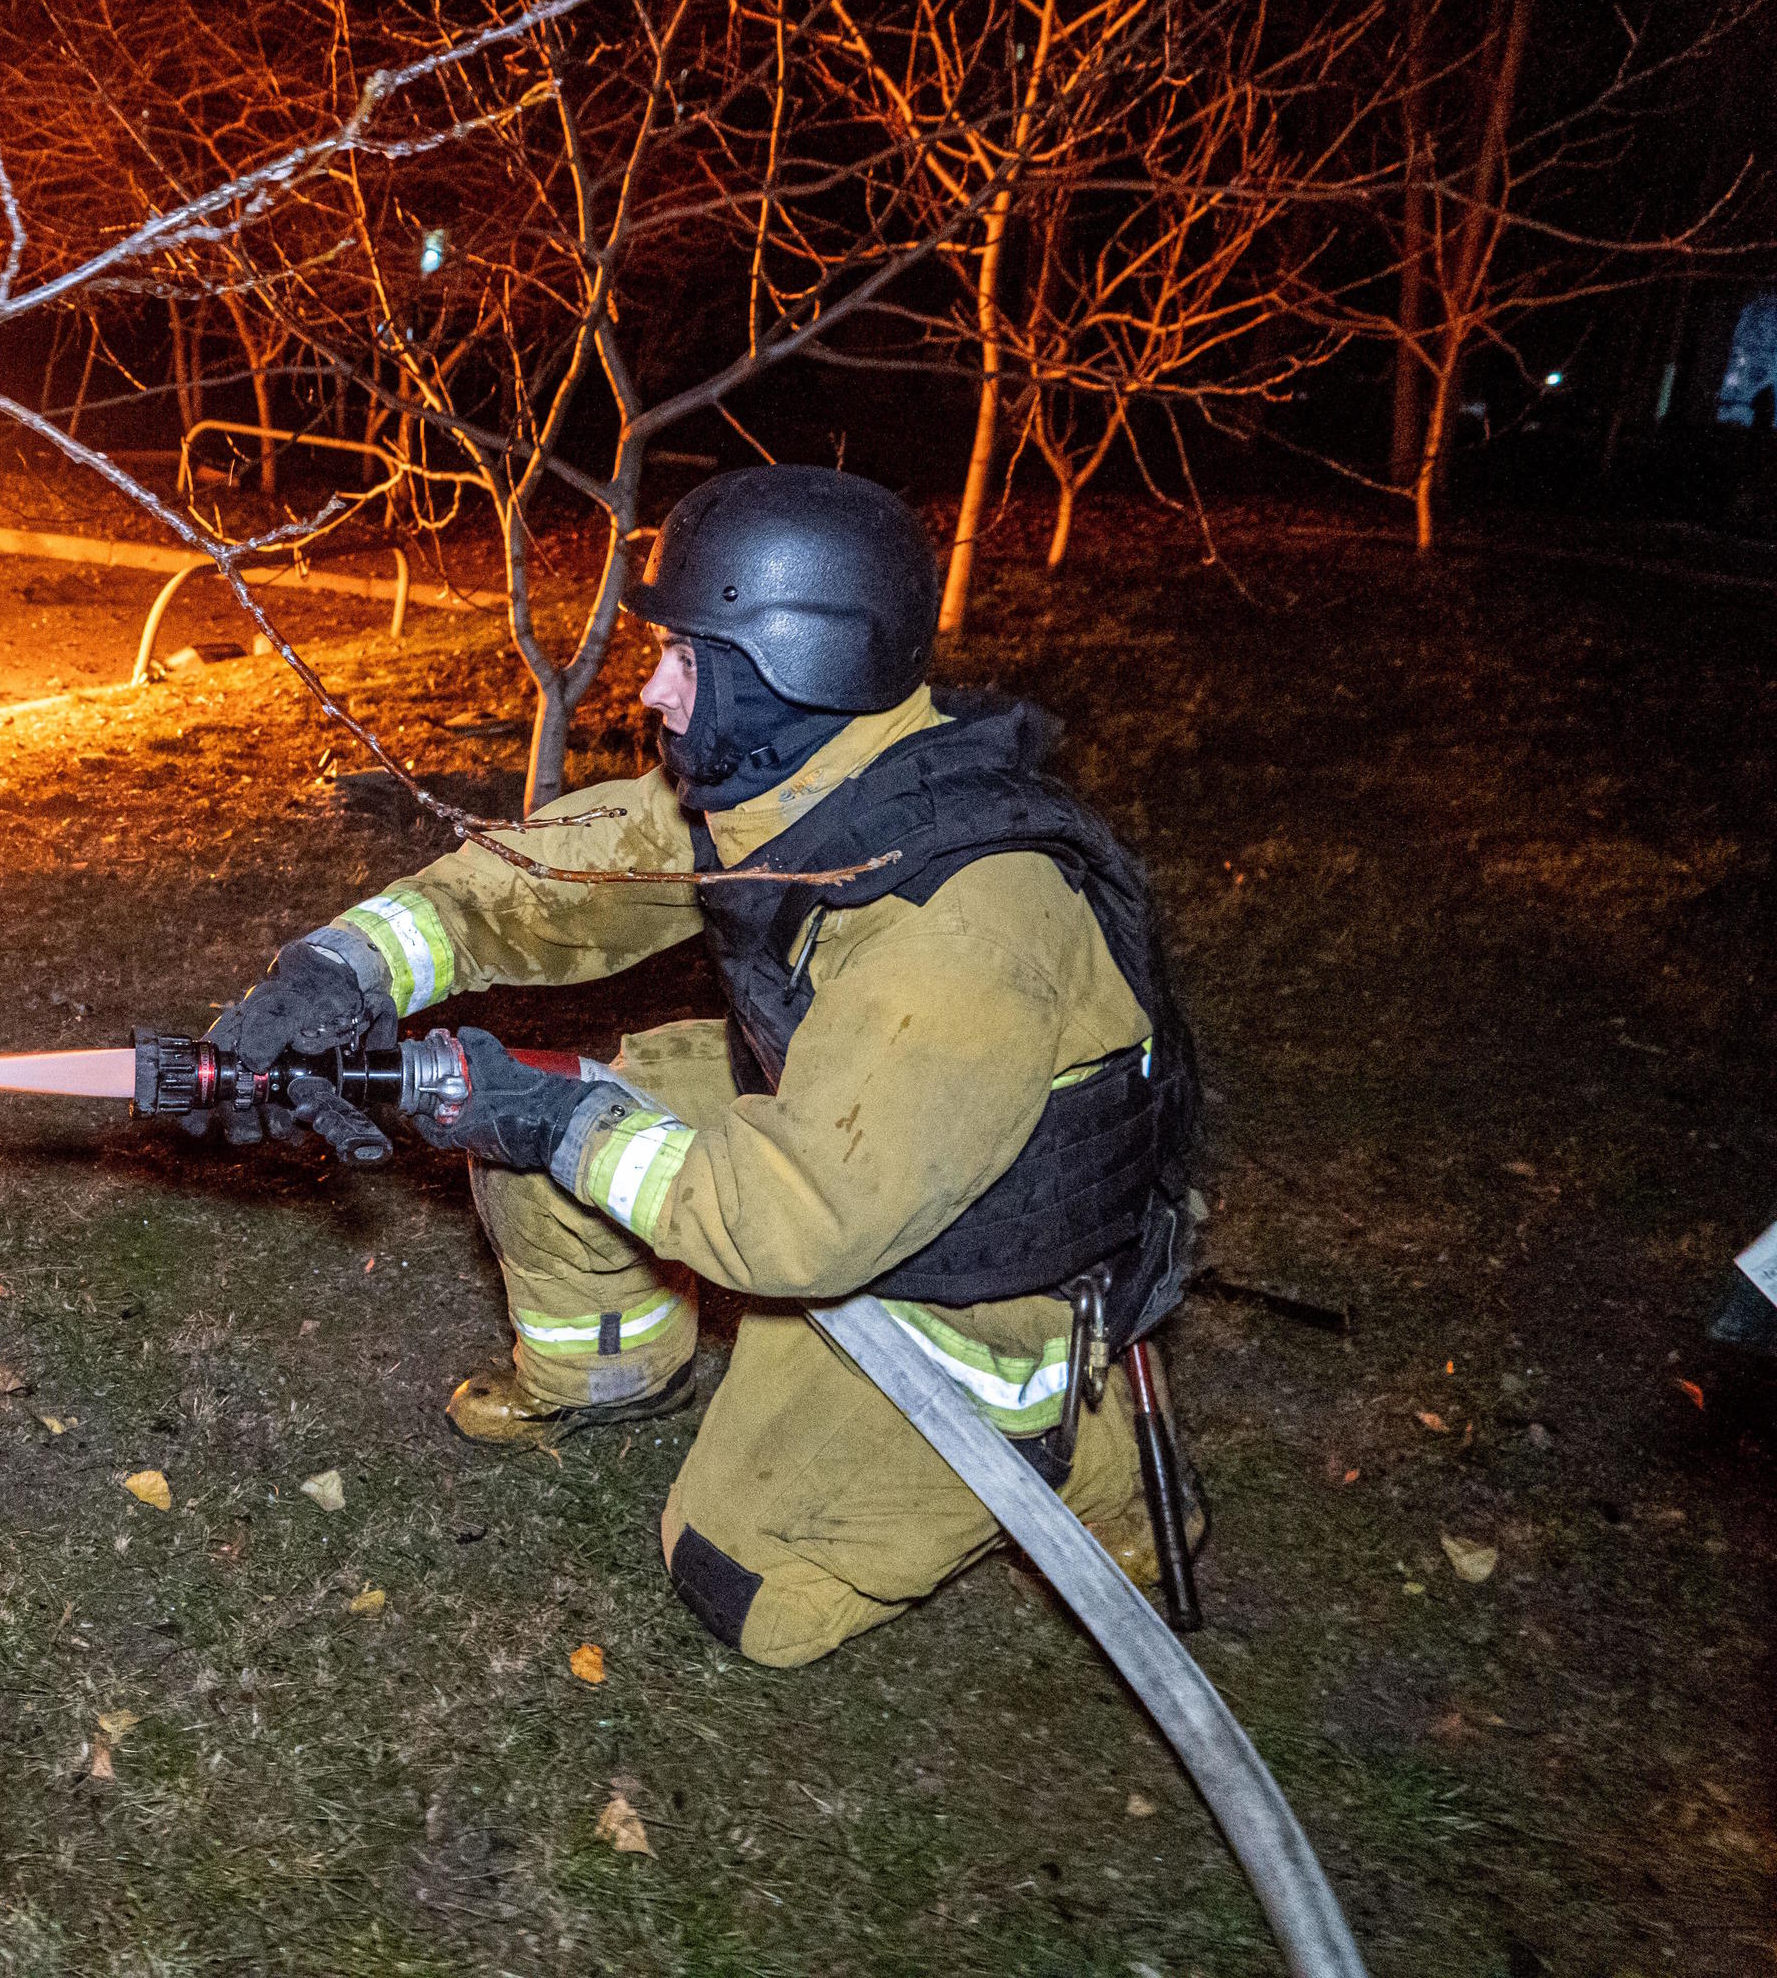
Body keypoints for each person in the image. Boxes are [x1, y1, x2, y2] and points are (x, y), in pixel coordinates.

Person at [193, 465, 1200, 1667]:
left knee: (744, 1584)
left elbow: (793, 1220)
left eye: (684, 656)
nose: (653, 688)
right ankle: (613, 1376)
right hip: (851, 1131)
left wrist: (554, 1119)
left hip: (966, 1270)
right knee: (548, 1095)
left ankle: (1073, 1444)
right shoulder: (797, 784)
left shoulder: (961, 932)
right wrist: (344, 968)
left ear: (794, 666)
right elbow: (556, 877)